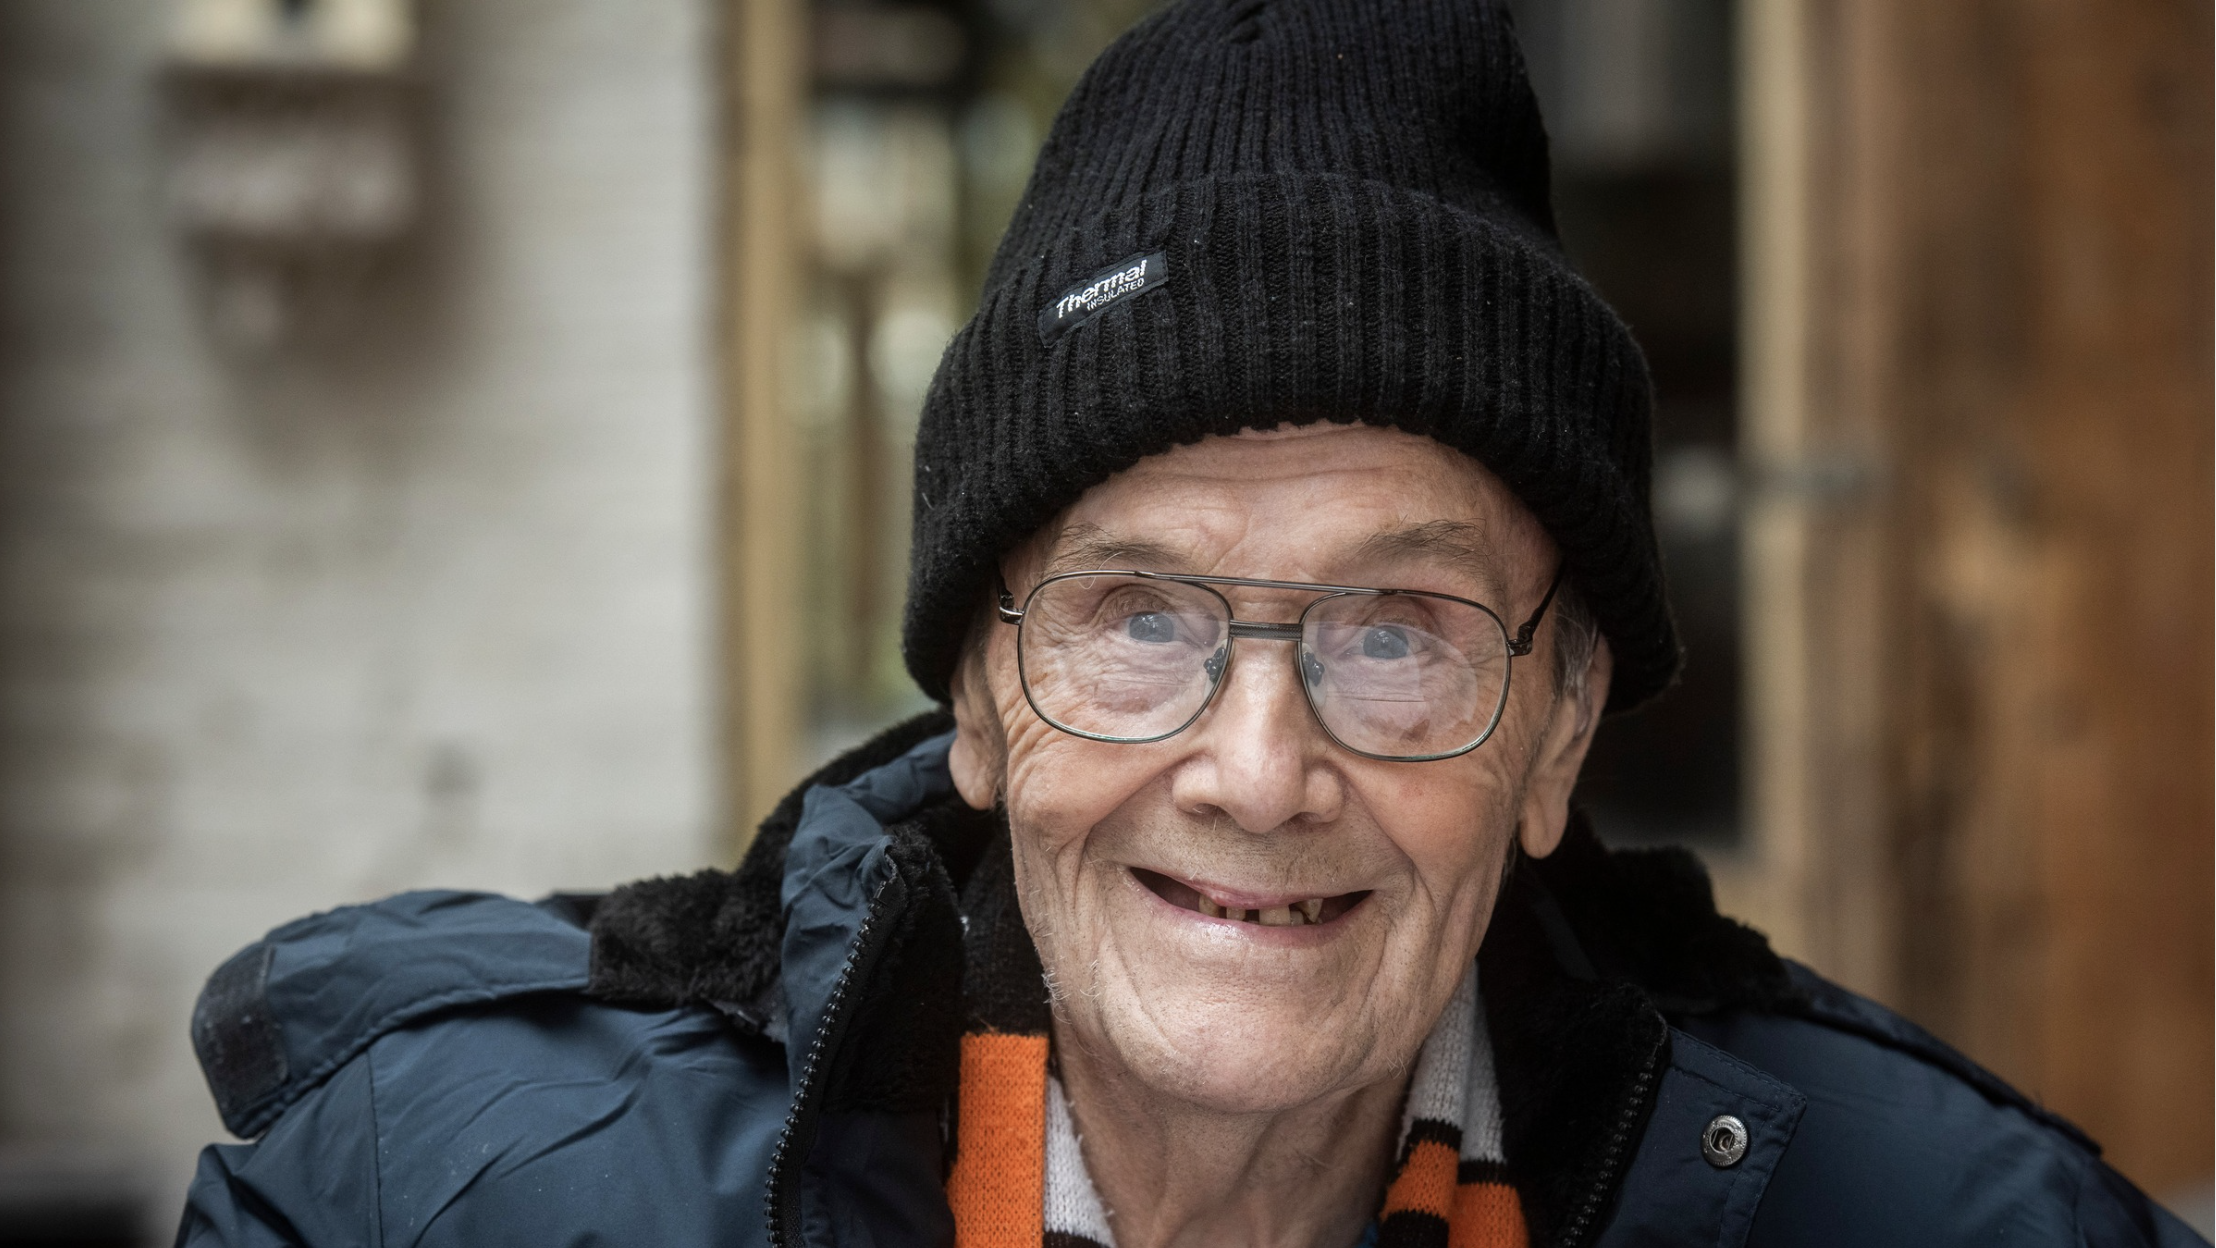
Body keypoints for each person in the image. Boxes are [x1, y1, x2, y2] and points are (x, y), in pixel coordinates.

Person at [173, 1, 2203, 1245]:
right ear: (977, 696)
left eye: (1397, 629)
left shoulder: (1960, 1226)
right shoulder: (446, 1209)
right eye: (1139, 620)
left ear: (1561, 731)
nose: (1256, 770)